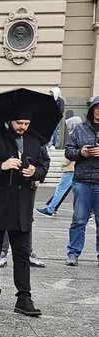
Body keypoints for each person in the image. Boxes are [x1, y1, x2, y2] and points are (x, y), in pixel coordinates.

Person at [0, 112, 49, 317]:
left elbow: (44, 166)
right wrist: (1, 166)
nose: (23, 127)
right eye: (19, 122)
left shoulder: (35, 139)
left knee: (22, 253)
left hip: (22, 204)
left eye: (27, 123)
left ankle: (24, 298)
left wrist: (35, 172)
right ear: (10, 120)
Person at [64, 95, 99, 267]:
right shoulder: (80, 128)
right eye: (96, 108)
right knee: (79, 220)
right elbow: (68, 151)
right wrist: (81, 153)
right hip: (82, 180)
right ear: (91, 110)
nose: (98, 111)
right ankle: (73, 253)